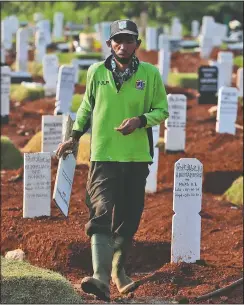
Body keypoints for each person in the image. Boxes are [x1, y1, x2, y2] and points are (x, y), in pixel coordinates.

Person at [56, 19, 169, 301]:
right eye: (117, 40)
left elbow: (162, 110)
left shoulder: (150, 73)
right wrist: (74, 136)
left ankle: (119, 270)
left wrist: (141, 120)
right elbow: (86, 106)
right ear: (109, 44)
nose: (123, 45)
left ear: (137, 45)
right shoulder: (96, 72)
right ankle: (101, 277)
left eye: (129, 40)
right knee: (101, 211)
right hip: (103, 155)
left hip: (136, 157)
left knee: (130, 216)